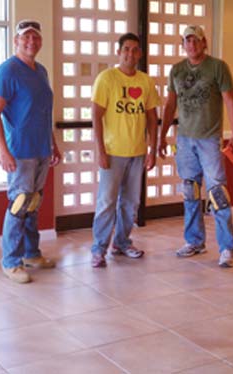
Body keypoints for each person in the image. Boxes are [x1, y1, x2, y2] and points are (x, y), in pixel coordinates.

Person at [158, 25, 233, 268]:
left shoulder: (218, 67)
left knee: (217, 194)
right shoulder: (176, 70)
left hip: (209, 140)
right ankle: (194, 241)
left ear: (204, 43)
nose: (191, 44)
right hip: (185, 140)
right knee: (190, 191)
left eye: (196, 40)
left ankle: (226, 248)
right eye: (187, 40)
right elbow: (169, 106)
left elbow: (230, 101)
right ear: (182, 44)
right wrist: (162, 136)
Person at [0, 19, 62, 283]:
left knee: (33, 204)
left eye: (36, 37)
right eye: (26, 37)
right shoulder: (7, 71)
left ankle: (31, 253)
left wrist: (52, 143)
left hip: (41, 149)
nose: (32, 41)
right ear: (16, 41)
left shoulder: (40, 71)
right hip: (20, 151)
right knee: (19, 205)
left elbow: (42, 112)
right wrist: (3, 151)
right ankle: (10, 261)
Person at [90, 33, 161, 268]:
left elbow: (152, 117)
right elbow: (96, 116)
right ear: (119, 52)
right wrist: (100, 150)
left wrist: (152, 148)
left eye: (135, 50)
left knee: (130, 203)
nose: (130, 54)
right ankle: (99, 250)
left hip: (137, 152)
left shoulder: (146, 82)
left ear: (139, 54)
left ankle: (121, 243)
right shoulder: (106, 79)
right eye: (126, 49)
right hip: (112, 153)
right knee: (107, 202)